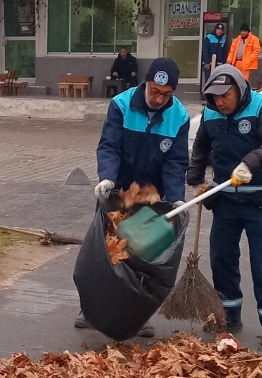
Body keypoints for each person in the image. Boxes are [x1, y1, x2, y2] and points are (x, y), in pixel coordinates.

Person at [75, 57, 191, 338]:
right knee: (106, 252)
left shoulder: (179, 116)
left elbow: (175, 162)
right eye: (154, 91)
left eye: (166, 95)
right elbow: (110, 145)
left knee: (141, 255)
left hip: (149, 197)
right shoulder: (122, 105)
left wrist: (176, 198)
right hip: (116, 190)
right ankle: (91, 308)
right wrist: (107, 177)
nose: (158, 99)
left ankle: (136, 313)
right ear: (146, 83)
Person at [187, 64, 262, 346]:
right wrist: (196, 179)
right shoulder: (211, 112)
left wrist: (250, 163)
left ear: (239, 89)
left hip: (260, 200)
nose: (221, 101)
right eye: (215, 97)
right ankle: (229, 314)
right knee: (221, 258)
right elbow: (202, 148)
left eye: (226, 95)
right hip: (226, 201)